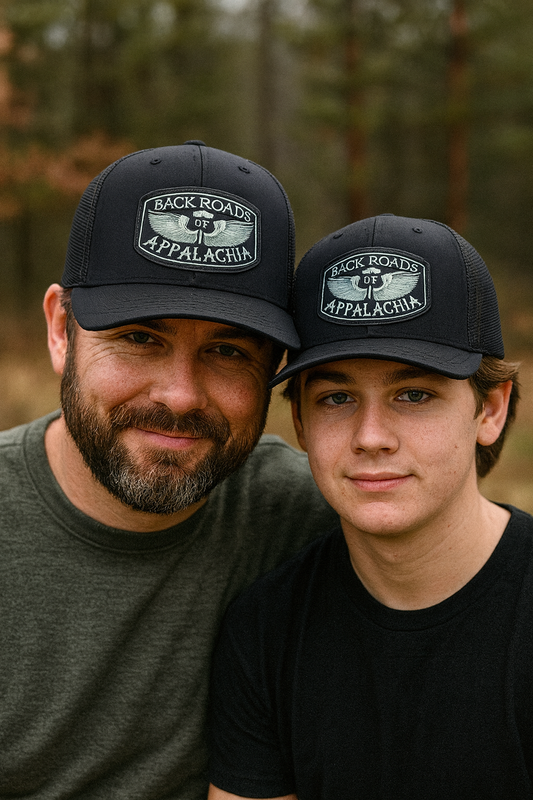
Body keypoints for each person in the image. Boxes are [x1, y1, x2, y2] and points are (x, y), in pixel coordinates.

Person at [0, 141, 337, 799]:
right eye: (139, 338)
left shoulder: (319, 522)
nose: (179, 395)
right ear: (61, 329)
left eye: (228, 350)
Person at [208, 213, 533, 800]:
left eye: (414, 394)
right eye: (337, 397)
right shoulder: (265, 631)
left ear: (490, 410)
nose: (371, 435)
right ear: (301, 422)